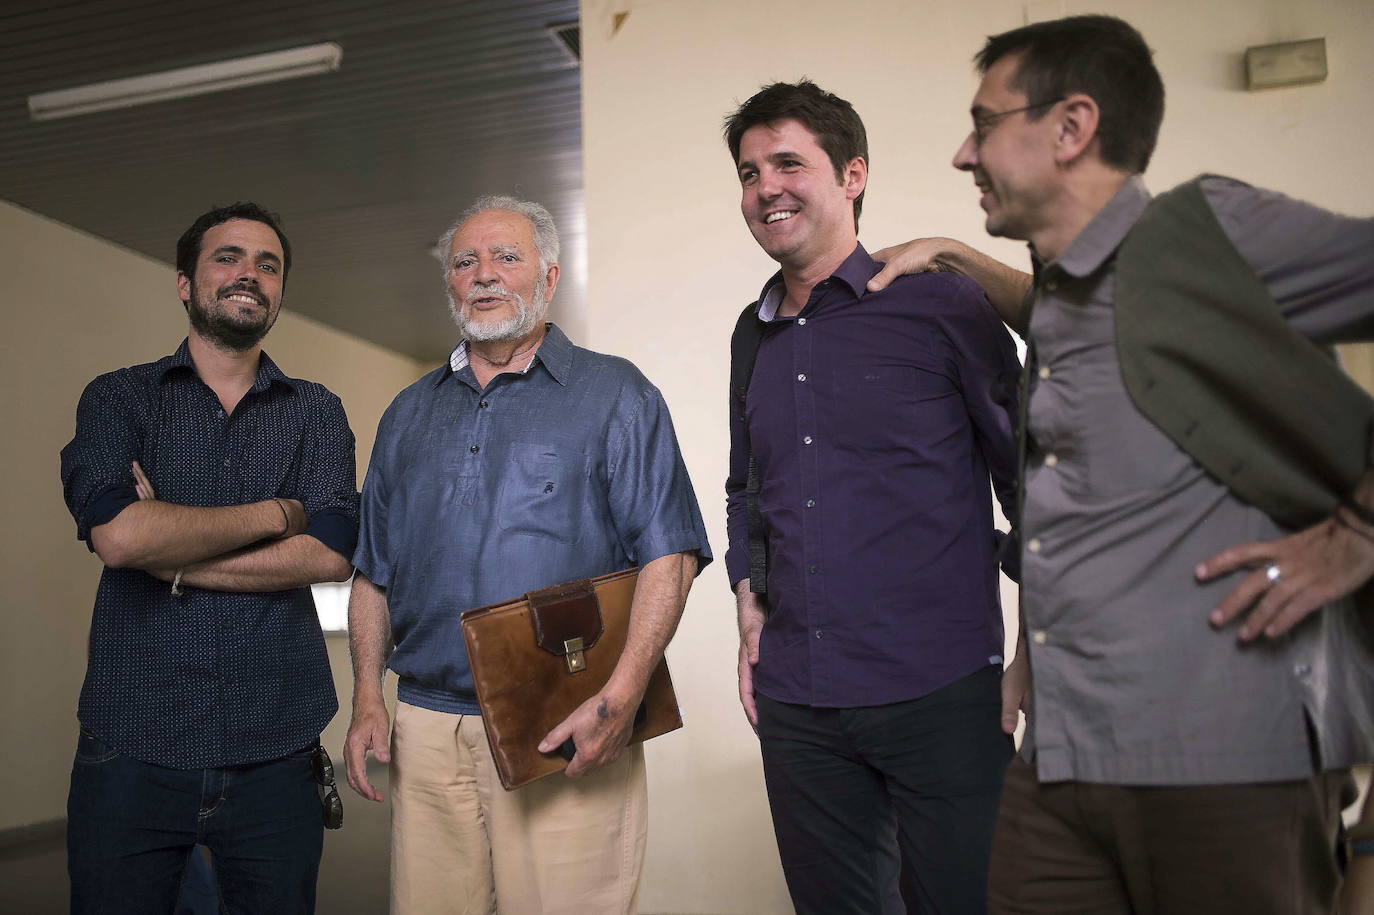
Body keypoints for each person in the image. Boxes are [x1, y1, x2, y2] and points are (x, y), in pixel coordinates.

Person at [869, 14, 1374, 912]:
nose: (961, 151)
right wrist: (949, 253)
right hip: (1063, 756)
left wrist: (1361, 530)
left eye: (984, 123)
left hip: (1224, 759)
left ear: (1071, 127)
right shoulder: (1059, 294)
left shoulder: (1208, 233)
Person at [342, 195, 711, 914]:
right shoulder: (406, 414)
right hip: (425, 723)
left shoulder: (617, 393)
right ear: (449, 284)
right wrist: (365, 696)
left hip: (565, 716)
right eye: (465, 261)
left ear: (547, 278)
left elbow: (672, 553)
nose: (485, 275)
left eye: (506, 257)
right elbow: (372, 571)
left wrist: (622, 694)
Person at [722, 80, 1022, 914]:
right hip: (799, 703)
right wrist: (748, 596)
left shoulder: (944, 304)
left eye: (789, 163)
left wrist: (1041, 651)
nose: (766, 188)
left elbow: (1033, 483)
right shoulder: (753, 332)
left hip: (945, 694)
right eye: (749, 172)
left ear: (853, 174)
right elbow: (745, 487)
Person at [60, 202, 360, 913]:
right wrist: (280, 512)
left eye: (267, 264)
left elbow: (331, 553)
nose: (248, 275)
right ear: (185, 283)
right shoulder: (118, 398)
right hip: (131, 746)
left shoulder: (316, 411)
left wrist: (174, 558)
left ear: (280, 289)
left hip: (277, 750)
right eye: (227, 257)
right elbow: (121, 535)